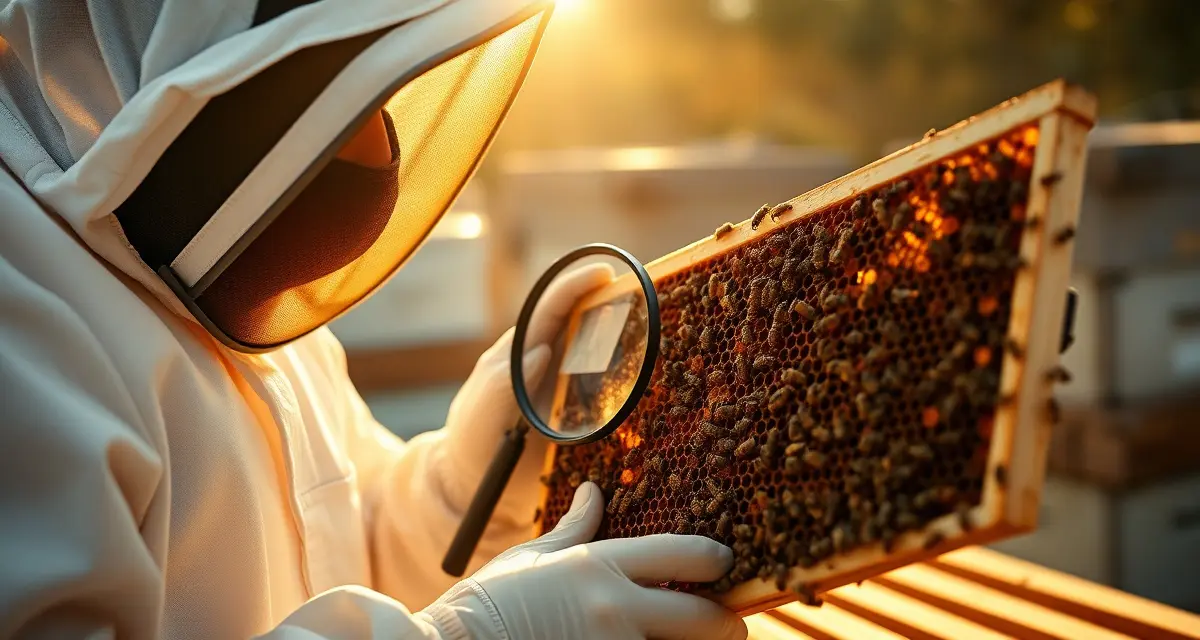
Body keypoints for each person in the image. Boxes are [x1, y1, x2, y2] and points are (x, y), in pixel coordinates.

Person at [0, 1, 749, 639]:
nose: (381, 137)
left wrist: (464, 481)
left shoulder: (235, 278)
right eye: (346, 80)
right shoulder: (22, 313)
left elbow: (343, 542)